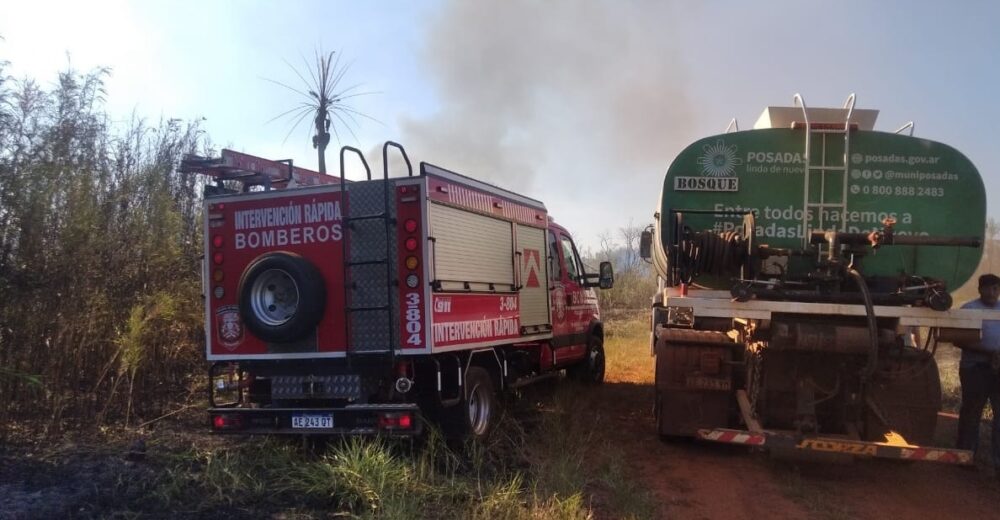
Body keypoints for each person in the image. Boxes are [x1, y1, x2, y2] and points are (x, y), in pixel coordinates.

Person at [956, 273, 1000, 469]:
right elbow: (958, 340)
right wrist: (988, 352)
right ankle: (965, 457)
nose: (992, 292)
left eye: (996, 288)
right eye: (988, 288)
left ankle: (997, 462)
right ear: (980, 289)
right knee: (972, 413)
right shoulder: (969, 309)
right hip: (975, 368)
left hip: (998, 369)